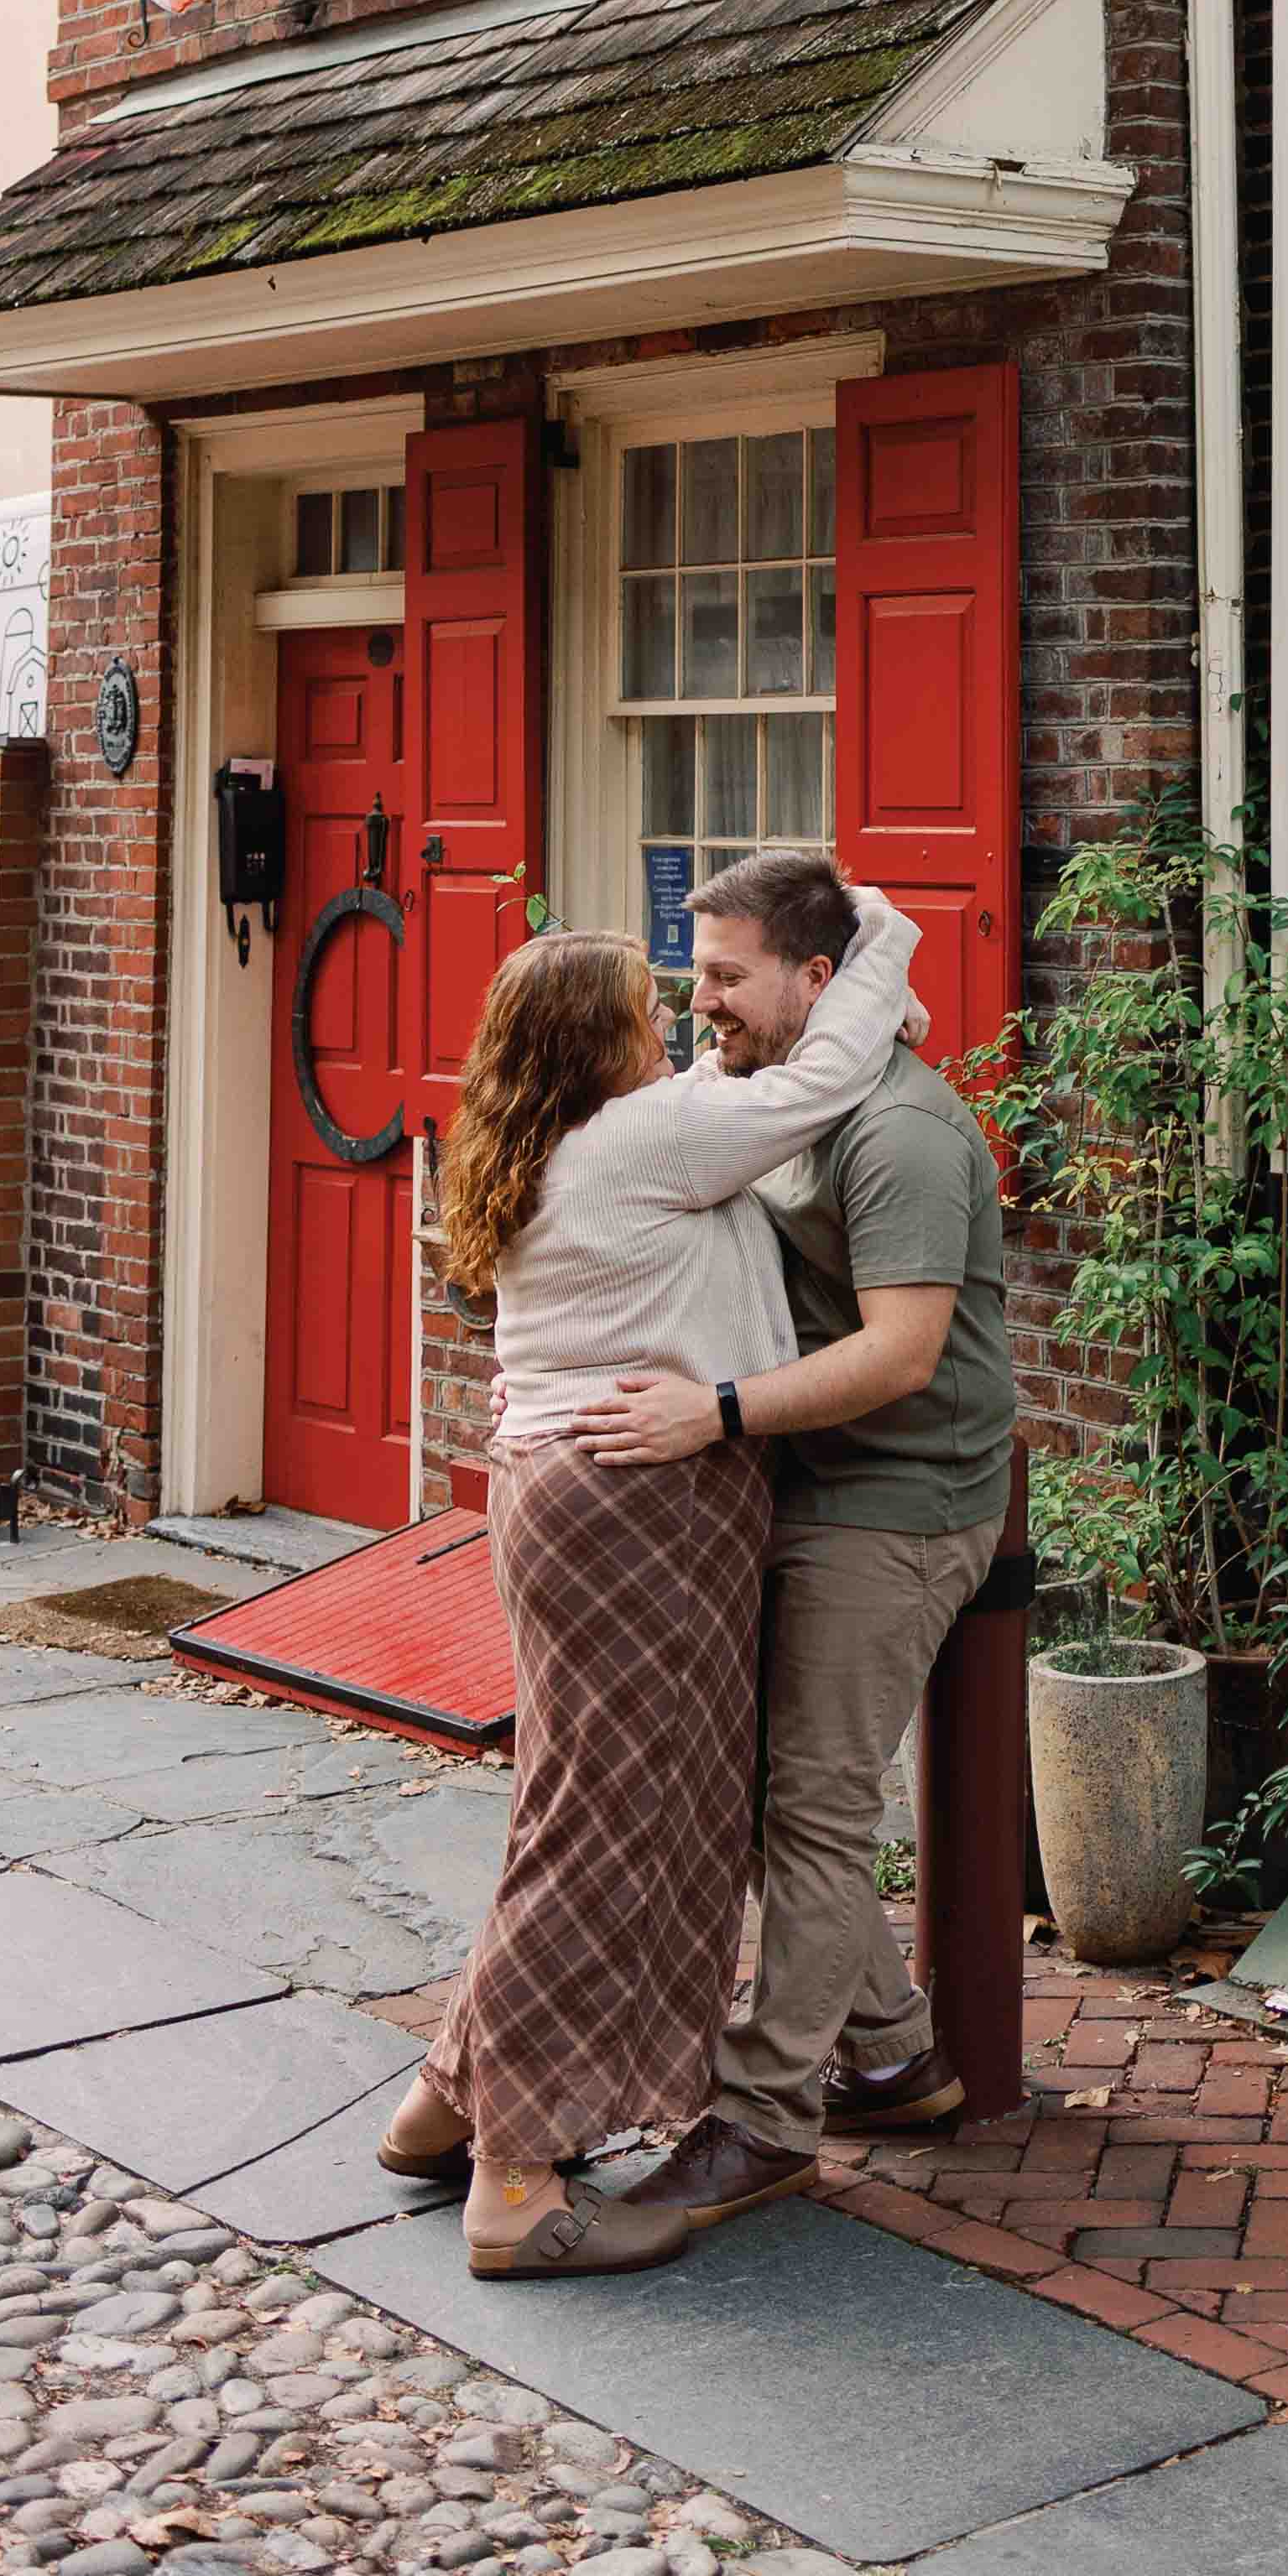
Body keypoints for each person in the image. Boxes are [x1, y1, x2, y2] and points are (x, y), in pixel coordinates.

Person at [376, 882, 923, 2279]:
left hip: (566, 1498)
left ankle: (446, 2102)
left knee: (571, 1804)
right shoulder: (641, 1141)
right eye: (645, 1009)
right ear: (589, 1046)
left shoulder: (552, 1141)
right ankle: (516, 2180)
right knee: (612, 1831)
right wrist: (874, 928)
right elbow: (840, 1065)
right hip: (644, 1511)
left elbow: (760, 1082)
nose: (675, 1020)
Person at [576, 843, 1017, 2228]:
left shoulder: (901, 1135)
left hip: (899, 1496)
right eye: (695, 970)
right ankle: (888, 2054)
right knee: (773, 1790)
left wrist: (714, 1411)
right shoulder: (777, 1090)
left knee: (817, 1805)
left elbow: (901, 1351)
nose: (698, 998)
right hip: (808, 1475)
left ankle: (767, 2118)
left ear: (813, 981)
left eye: (724, 975)